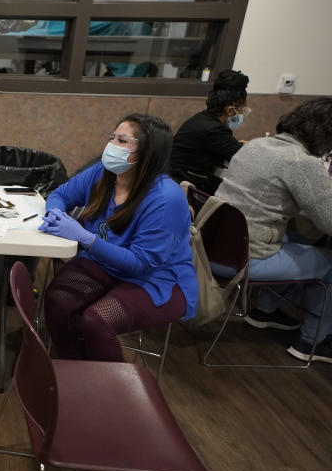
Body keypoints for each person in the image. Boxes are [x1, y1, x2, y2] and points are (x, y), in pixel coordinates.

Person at [38, 113, 198, 361]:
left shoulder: (166, 198)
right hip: (105, 264)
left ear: (147, 153)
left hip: (156, 278)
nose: (112, 146)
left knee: (97, 320)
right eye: (112, 137)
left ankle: (110, 392)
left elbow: (141, 263)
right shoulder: (103, 174)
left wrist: (85, 238)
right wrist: (55, 214)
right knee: (58, 300)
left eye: (122, 140)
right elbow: (61, 194)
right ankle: (71, 367)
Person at [214, 97, 332, 363]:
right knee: (328, 261)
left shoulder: (257, 144)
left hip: (215, 245)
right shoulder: (302, 162)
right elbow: (328, 221)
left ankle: (266, 310)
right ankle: (313, 342)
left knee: (301, 239)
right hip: (245, 257)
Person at [169, 69, 250, 195]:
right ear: (230, 111)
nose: (242, 114)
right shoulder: (215, 130)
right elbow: (244, 156)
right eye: (242, 110)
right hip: (184, 188)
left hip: (176, 180)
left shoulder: (203, 119)